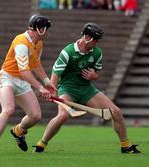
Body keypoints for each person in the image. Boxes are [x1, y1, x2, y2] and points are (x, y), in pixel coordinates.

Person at [33, 22, 141, 154]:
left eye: (97, 40)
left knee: (116, 112)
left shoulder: (97, 52)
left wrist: (94, 76)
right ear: (86, 37)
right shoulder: (68, 52)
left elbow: (97, 74)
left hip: (86, 89)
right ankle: (41, 144)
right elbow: (56, 73)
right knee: (63, 116)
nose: (96, 43)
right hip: (67, 89)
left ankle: (126, 146)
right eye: (94, 40)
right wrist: (52, 91)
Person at [0, 14, 56, 155]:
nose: (47, 32)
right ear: (39, 29)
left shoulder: (39, 43)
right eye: (46, 29)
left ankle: (18, 131)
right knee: (8, 109)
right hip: (7, 77)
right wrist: (40, 87)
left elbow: (35, 64)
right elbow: (24, 71)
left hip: (22, 82)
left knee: (35, 116)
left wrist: (47, 82)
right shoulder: (21, 42)